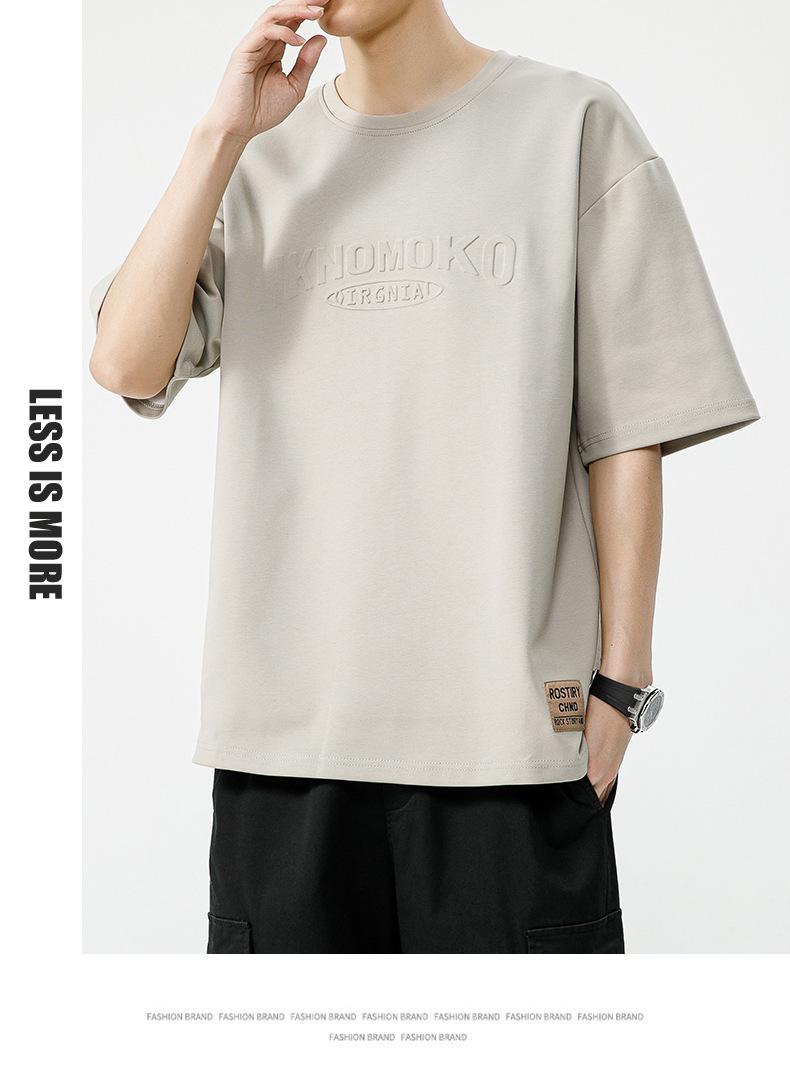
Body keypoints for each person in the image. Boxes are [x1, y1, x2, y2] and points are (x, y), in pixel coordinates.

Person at [89, 0, 759, 954]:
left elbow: (628, 430)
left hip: (510, 742)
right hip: (285, 747)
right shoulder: (257, 156)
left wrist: (623, 685)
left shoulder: (571, 124)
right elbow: (127, 364)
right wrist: (219, 137)